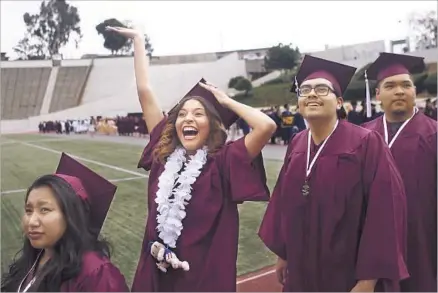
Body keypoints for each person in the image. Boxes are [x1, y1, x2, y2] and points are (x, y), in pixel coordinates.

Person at [105, 25, 276, 292]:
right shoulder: (164, 155)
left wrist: (226, 101)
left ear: (212, 124)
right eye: (182, 113)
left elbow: (266, 126)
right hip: (157, 273)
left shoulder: (224, 162)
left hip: (202, 277)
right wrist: (139, 40)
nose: (188, 118)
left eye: (198, 113)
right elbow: (145, 91)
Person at [258, 55, 409, 292]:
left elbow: (384, 209)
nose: (311, 94)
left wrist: (369, 278)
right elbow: (283, 202)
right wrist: (284, 253)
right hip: (302, 268)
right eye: (305, 90)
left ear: (339, 102)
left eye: (321, 89)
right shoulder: (297, 144)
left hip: (347, 271)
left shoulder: (366, 142)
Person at [361, 52, 437, 292]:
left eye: (406, 85)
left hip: (422, 238)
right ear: (378, 95)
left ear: (415, 92)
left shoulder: (434, 135)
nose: (399, 91)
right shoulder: (360, 137)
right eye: (390, 86)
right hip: (371, 241)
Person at [1, 153, 129, 292]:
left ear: (71, 215)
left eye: (44, 209)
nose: (31, 221)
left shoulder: (97, 274)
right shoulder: (36, 255)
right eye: (29, 210)